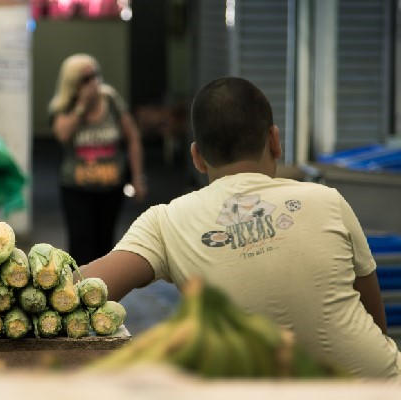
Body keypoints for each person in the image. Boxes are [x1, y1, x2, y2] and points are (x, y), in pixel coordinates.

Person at [80, 76, 401, 378]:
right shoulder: (328, 200)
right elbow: (376, 324)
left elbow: (83, 288)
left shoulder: (165, 222)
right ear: (274, 141)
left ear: (197, 157)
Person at [48, 53, 147, 266]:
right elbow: (63, 134)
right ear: (72, 83)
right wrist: (82, 106)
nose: (93, 82)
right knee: (81, 244)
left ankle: (101, 293)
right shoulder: (65, 105)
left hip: (111, 187)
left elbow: (133, 138)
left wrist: (138, 178)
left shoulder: (110, 99)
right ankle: (79, 292)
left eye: (95, 76)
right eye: (85, 79)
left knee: (105, 244)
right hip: (76, 188)